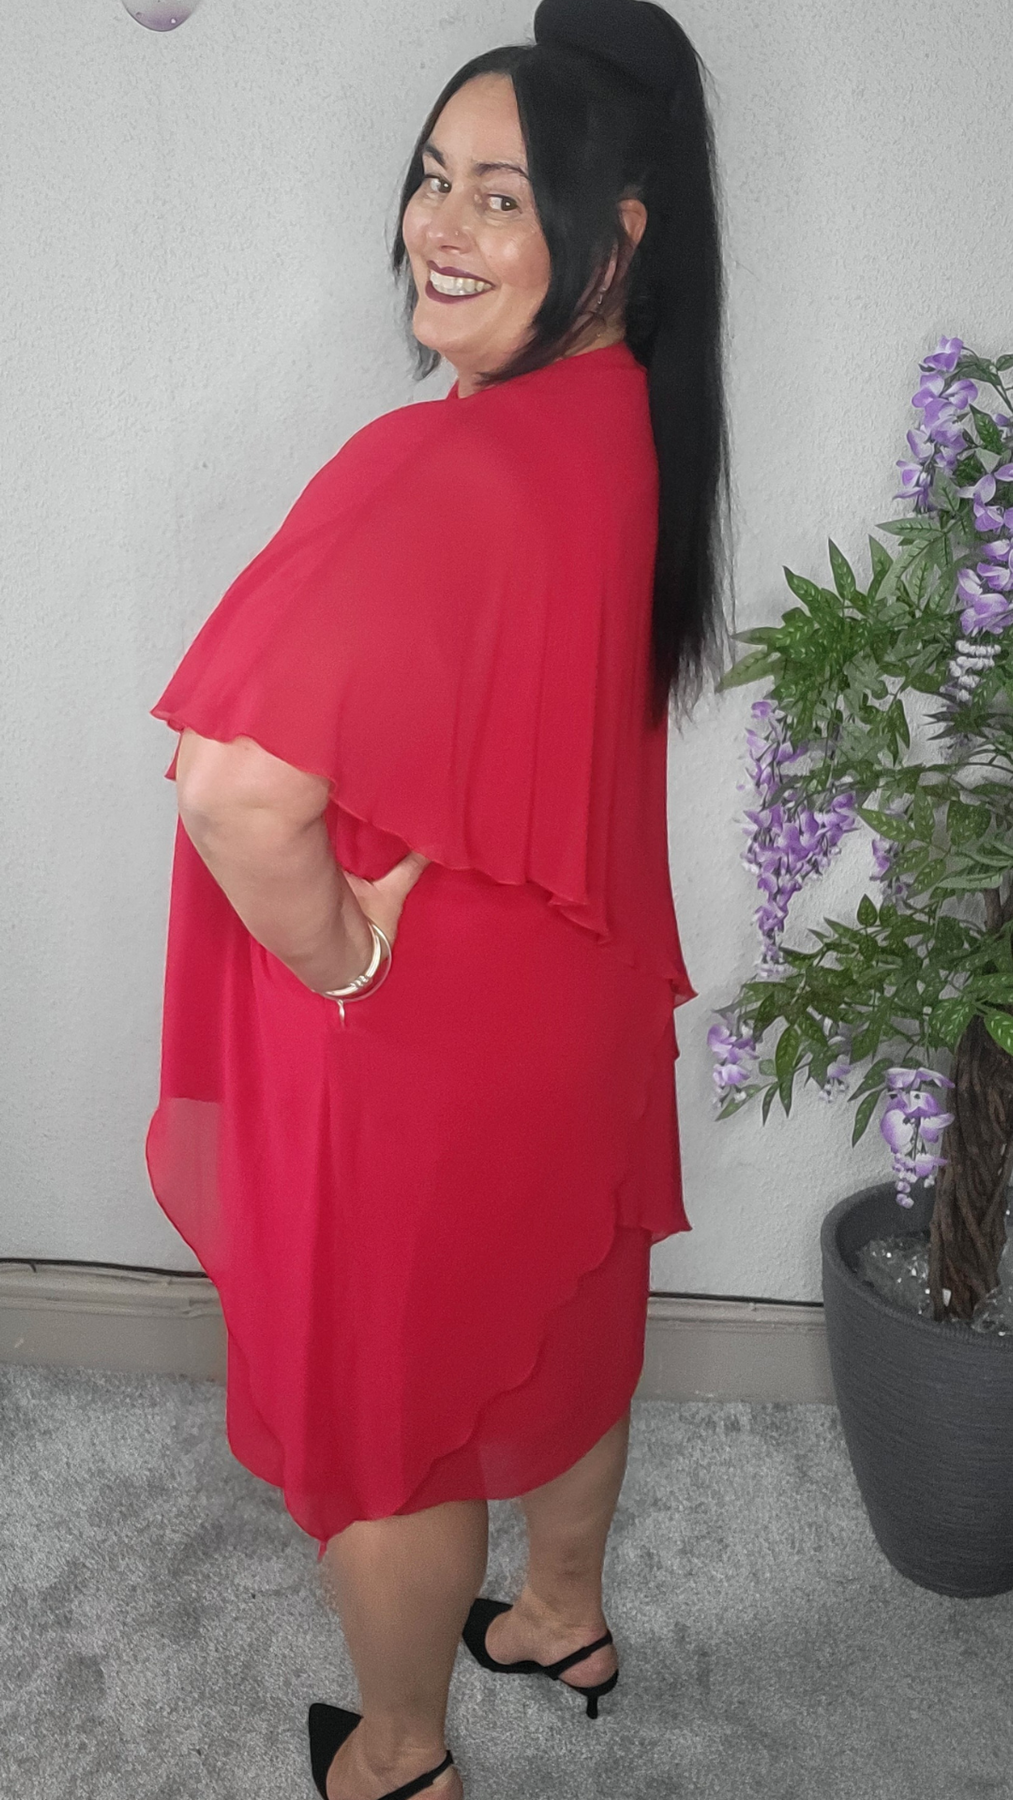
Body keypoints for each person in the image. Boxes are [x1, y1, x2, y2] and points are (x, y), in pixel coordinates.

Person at [144, 1, 730, 1795]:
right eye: (431, 179)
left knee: (391, 1422)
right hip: (577, 1000)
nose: (438, 227)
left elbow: (234, 788)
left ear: (614, 235)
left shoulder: (438, 466)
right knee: (565, 1303)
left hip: (423, 1039)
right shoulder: (635, 424)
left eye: (500, 194)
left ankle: (400, 1755)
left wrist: (341, 961)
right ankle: (562, 1611)